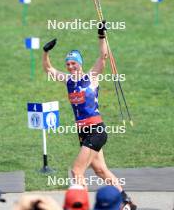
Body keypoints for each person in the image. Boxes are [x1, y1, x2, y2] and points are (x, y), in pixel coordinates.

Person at [42, 20, 137, 210]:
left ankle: (81, 206)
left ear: (80, 63)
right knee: (101, 170)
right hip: (84, 133)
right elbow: (49, 70)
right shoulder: (68, 81)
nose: (70, 66)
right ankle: (126, 202)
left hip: (96, 130)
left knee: (76, 171)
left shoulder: (91, 77)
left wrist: (101, 36)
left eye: (74, 63)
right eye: (68, 64)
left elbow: (103, 57)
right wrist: (46, 52)